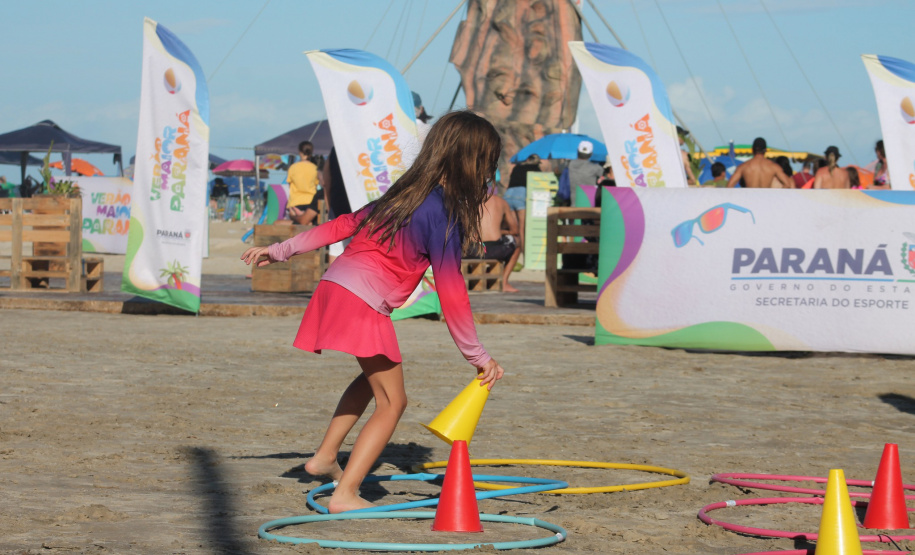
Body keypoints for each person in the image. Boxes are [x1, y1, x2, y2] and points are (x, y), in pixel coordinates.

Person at [240, 110, 506, 513]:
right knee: (393, 403)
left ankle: (325, 457)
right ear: (471, 163)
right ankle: (345, 494)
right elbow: (452, 294)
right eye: (488, 164)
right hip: (363, 299)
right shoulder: (443, 213)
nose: (489, 174)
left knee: (372, 379)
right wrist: (477, 355)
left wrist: (280, 250)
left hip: (335, 285)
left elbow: (341, 225)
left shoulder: (406, 193)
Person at [465, 185, 522, 292]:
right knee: (518, 242)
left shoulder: (465, 202)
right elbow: (515, 230)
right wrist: (499, 231)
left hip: (471, 251)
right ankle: (504, 282)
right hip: (494, 250)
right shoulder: (500, 202)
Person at [504, 153, 541, 262]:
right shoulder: (535, 169)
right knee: (522, 228)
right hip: (521, 195)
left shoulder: (517, 167)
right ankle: (525, 256)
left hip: (508, 195)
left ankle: (514, 254)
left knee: (513, 228)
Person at [322, 147, 353, 262]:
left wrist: (329, 207)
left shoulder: (337, 145)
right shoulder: (370, 140)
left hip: (338, 207)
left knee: (336, 253)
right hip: (365, 210)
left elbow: (326, 180)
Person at [727, 137, 792, 189]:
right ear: (765, 150)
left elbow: (729, 186)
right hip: (766, 201)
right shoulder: (774, 166)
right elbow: (787, 184)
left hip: (749, 201)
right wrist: (775, 196)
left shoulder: (743, 167)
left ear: (752, 149)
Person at [287, 141, 325, 225]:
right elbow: (316, 185)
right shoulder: (314, 168)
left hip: (295, 202)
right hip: (311, 203)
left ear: (299, 152)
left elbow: (290, 186)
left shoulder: (293, 168)